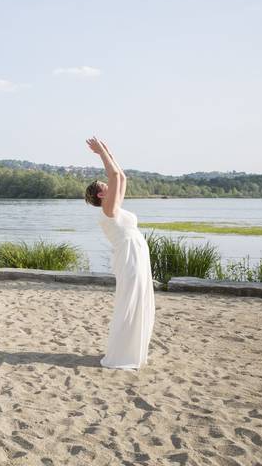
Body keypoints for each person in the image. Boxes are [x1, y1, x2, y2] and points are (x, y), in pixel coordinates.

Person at [85, 137, 155, 370]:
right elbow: (114, 176)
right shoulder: (108, 209)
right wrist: (101, 154)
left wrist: (108, 151)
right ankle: (122, 354)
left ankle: (133, 351)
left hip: (136, 249)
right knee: (130, 300)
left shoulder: (113, 206)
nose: (109, 184)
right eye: (103, 186)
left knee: (139, 298)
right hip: (129, 253)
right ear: (101, 195)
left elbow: (121, 177)